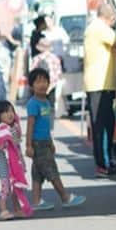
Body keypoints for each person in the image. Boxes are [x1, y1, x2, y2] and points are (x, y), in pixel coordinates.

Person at [25, 68, 85, 211]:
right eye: (38, 82)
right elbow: (30, 125)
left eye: (45, 81)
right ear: (31, 86)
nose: (42, 84)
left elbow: (46, 126)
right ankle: (65, 197)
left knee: (38, 173)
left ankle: (36, 201)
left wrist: (51, 142)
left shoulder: (46, 102)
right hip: (37, 143)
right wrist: (28, 145)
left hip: (45, 142)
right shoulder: (33, 103)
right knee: (52, 170)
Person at [83, 4, 116, 178]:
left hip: (103, 84)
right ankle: (103, 163)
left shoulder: (95, 28)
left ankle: (106, 160)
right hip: (99, 84)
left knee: (107, 124)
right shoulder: (99, 28)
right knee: (102, 126)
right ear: (110, 17)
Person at [0, 101, 31, 221]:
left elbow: (17, 146)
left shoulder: (12, 128)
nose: (10, 114)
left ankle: (17, 210)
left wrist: (21, 162)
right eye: (6, 112)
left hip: (15, 165)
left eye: (12, 111)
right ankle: (3, 210)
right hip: (5, 168)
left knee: (16, 188)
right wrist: (6, 138)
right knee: (6, 189)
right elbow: (0, 145)